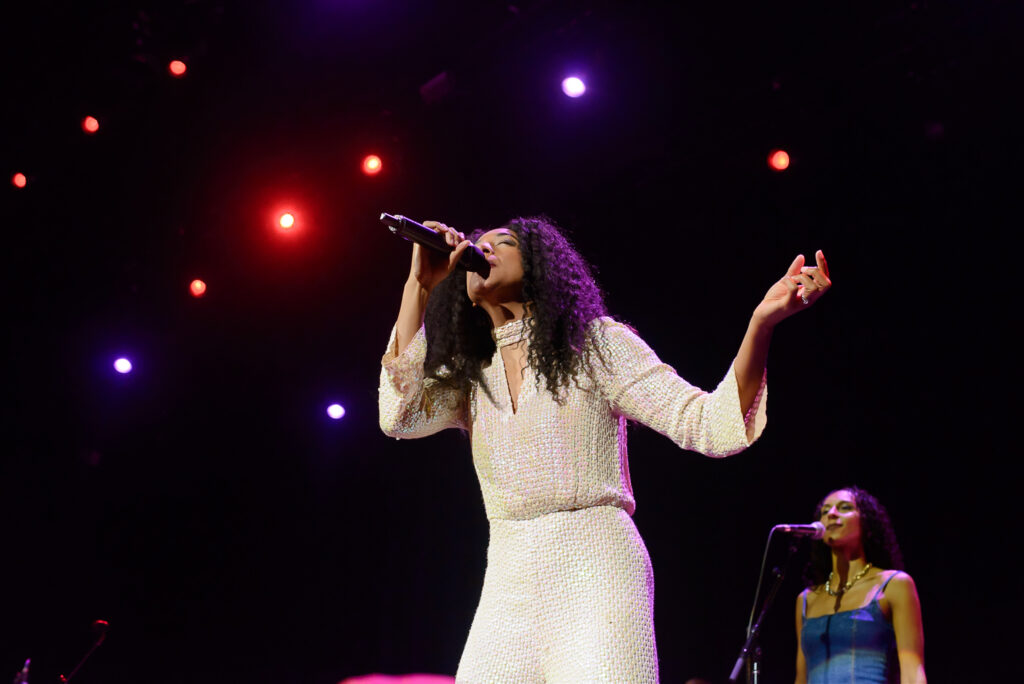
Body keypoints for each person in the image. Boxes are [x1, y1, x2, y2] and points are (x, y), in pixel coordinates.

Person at [378, 216, 830, 683]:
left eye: (503, 243)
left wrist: (762, 323)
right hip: (508, 575)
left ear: (540, 267)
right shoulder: (472, 376)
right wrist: (419, 285)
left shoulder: (595, 345)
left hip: (596, 567)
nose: (482, 250)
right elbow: (399, 415)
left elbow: (708, 424)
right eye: (478, 245)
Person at [794, 487, 926, 684]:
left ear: (866, 522)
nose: (831, 514)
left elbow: (912, 673)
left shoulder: (894, 585)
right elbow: (801, 679)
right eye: (825, 511)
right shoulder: (806, 599)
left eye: (844, 507)